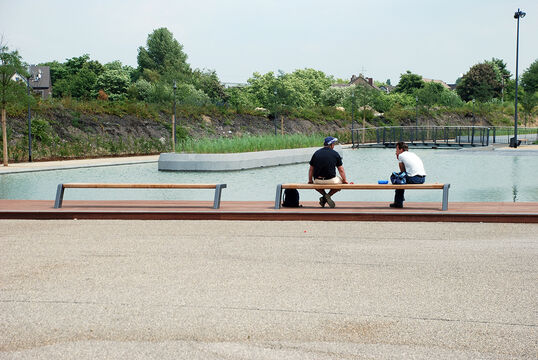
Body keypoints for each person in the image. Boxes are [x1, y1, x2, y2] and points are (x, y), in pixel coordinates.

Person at [308, 136, 348, 208]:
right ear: (331, 145)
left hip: (318, 180)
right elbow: (341, 170)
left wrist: (310, 181)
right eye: (334, 144)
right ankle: (328, 196)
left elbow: (311, 169)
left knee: (314, 183)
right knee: (341, 182)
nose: (334, 146)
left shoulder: (316, 153)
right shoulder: (335, 154)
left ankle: (324, 195)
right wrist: (345, 180)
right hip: (331, 180)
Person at [390, 141, 426, 208]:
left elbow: (402, 172)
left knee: (398, 178)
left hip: (415, 178)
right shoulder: (412, 154)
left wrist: (397, 157)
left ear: (401, 150)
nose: (395, 152)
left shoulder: (401, 155)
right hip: (422, 179)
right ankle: (400, 199)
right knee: (401, 178)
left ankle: (398, 203)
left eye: (396, 149)